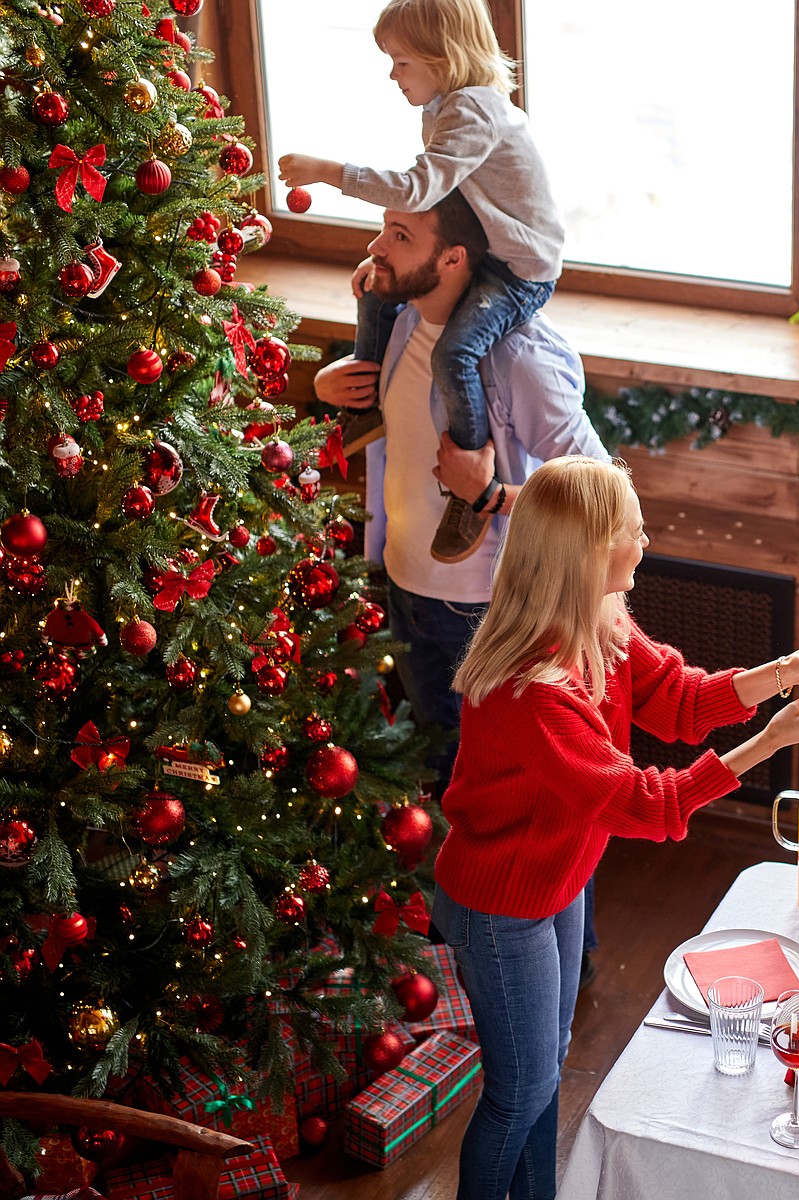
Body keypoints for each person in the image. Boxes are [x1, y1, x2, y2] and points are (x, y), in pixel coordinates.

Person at [433, 456, 799, 1200]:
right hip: (501, 909)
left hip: (556, 879)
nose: (646, 540)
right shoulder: (533, 691)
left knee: (547, 1067)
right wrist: (767, 745)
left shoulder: (599, 618)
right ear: (590, 550)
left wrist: (791, 667)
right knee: (517, 1093)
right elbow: (638, 802)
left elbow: (681, 700)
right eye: (634, 529)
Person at [312, 190, 606, 971]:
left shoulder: (521, 360)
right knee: (451, 782)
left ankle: (546, 962)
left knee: (517, 800)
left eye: (399, 234)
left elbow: (603, 493)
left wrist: (488, 496)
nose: (379, 245)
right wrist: (326, 389)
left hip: (493, 612)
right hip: (408, 589)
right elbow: (384, 428)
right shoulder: (402, 320)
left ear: (453, 259)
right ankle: (473, 952)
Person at [280, 0, 563, 565]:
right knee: (375, 289)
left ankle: (468, 485)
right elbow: (440, 202)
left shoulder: (474, 112)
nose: (393, 75)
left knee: (454, 355)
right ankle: (367, 407)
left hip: (519, 269)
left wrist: (329, 172)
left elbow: (418, 191)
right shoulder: (444, 108)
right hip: (485, 248)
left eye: (402, 62)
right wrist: (392, 260)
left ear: (444, 57)